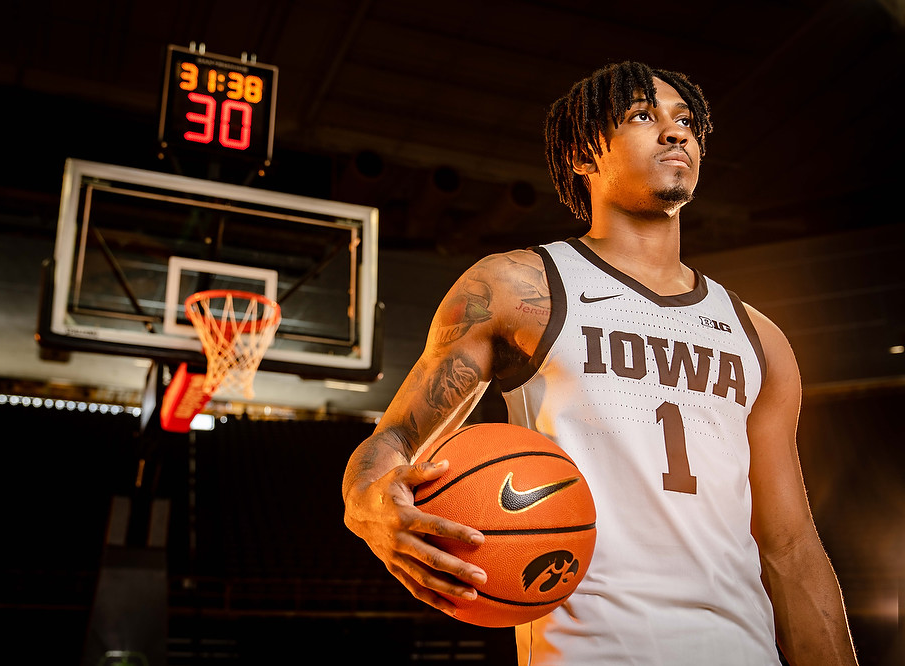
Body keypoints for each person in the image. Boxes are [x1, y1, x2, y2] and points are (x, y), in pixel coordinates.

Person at [342, 61, 858, 665]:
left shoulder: (759, 337)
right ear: (584, 154)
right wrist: (367, 501)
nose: (676, 132)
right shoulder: (516, 287)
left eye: (685, 121)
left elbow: (791, 548)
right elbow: (396, 439)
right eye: (642, 115)